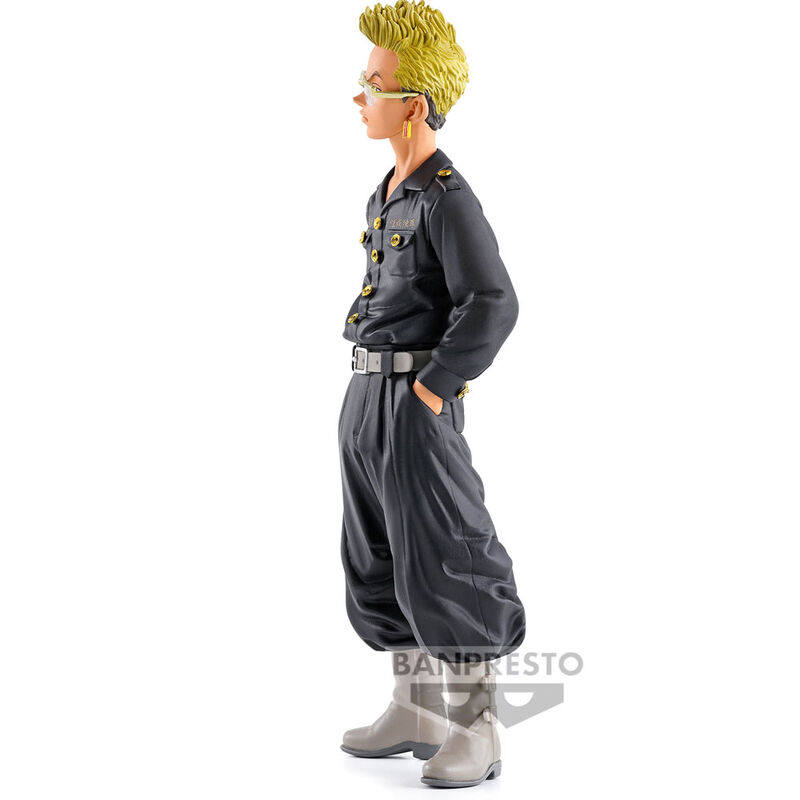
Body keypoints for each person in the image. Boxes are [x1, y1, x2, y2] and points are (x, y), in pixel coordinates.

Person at [338, 0, 526, 787]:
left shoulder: (449, 197)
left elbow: (494, 301)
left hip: (416, 401)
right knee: (378, 550)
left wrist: (433, 387)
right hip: (366, 396)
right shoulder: (389, 190)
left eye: (373, 82)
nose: (359, 95)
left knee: (447, 550)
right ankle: (414, 706)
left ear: (413, 104)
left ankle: (478, 726)